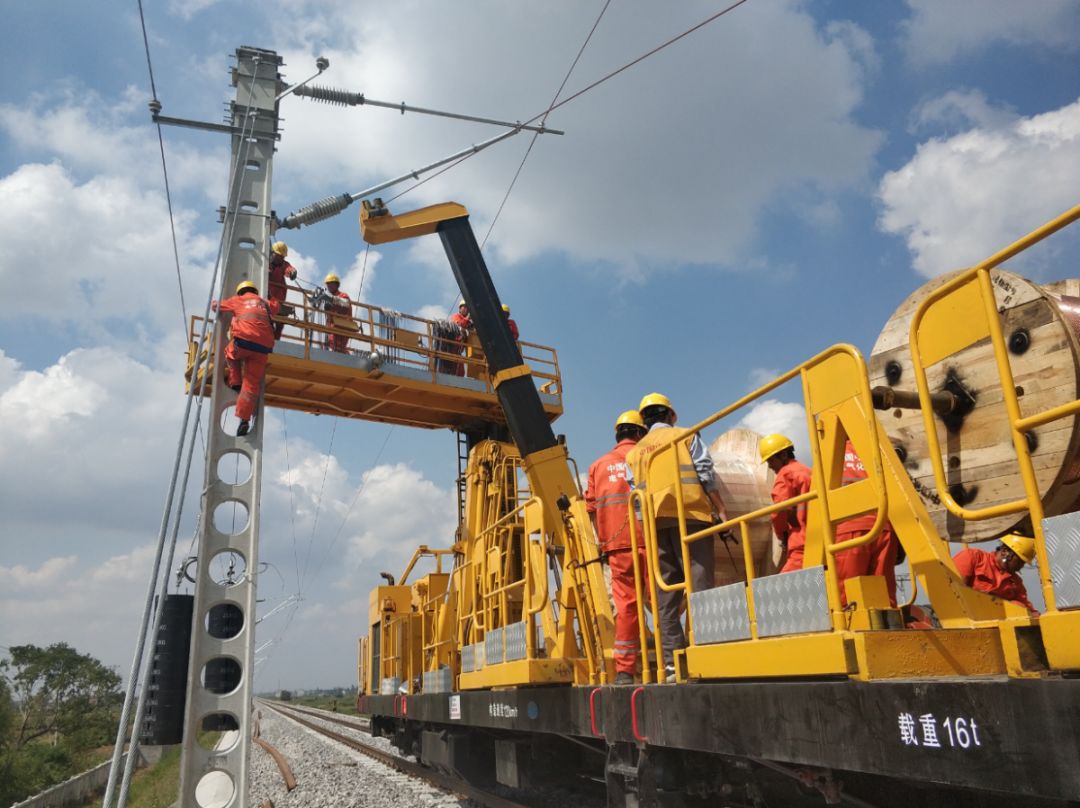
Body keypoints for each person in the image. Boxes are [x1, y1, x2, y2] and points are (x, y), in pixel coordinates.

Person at [625, 393, 728, 682]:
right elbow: (705, 473)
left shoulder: (633, 454)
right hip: (691, 516)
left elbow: (634, 496)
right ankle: (705, 652)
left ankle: (671, 665)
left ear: (644, 422)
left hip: (655, 525)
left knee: (665, 594)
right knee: (699, 584)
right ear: (671, 416)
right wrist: (721, 510)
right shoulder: (686, 436)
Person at [586, 410, 649, 685]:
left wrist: (601, 542)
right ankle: (672, 661)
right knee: (663, 601)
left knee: (626, 606)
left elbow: (590, 509)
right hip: (652, 540)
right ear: (638, 433)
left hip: (616, 547)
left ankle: (625, 670)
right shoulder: (647, 456)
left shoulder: (598, 465)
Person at [832, 440, 900, 606]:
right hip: (885, 527)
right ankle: (888, 627)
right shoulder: (877, 446)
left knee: (847, 598)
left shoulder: (834, 450)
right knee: (884, 595)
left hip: (850, 528)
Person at [212, 280, 280, 436]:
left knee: (229, 352)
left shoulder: (238, 300)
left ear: (240, 292)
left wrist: (215, 304)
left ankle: (235, 382)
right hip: (264, 348)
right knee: (251, 385)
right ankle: (244, 419)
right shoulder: (265, 303)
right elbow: (277, 306)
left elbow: (216, 307)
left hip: (244, 342)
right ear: (255, 291)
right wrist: (272, 296)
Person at [760, 434, 812, 573]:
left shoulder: (786, 474)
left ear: (783, 455)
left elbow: (779, 510)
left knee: (784, 587)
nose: (770, 466)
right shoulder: (808, 471)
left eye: (771, 460)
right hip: (818, 536)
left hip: (801, 542)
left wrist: (782, 535)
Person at [953, 534, 1039, 615]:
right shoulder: (973, 557)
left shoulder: (1015, 582)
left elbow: (1028, 609)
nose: (1021, 566)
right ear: (1005, 552)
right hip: (966, 615)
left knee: (1018, 606)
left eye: (1024, 562)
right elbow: (954, 590)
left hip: (996, 623)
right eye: (1020, 561)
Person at [267, 241, 297, 340]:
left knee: (280, 322)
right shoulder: (266, 263)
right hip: (268, 298)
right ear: (273, 253)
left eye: (282, 256)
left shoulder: (283, 264)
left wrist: (292, 272)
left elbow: (288, 269)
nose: (281, 258)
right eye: (279, 255)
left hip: (279, 297)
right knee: (268, 321)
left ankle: (276, 340)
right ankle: (269, 339)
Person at [322, 273, 353, 353]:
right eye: (328, 284)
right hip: (333, 327)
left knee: (338, 347)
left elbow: (345, 303)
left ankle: (344, 356)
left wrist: (332, 299)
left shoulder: (343, 295)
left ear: (336, 284)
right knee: (332, 345)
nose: (329, 286)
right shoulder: (329, 298)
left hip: (343, 326)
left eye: (331, 283)